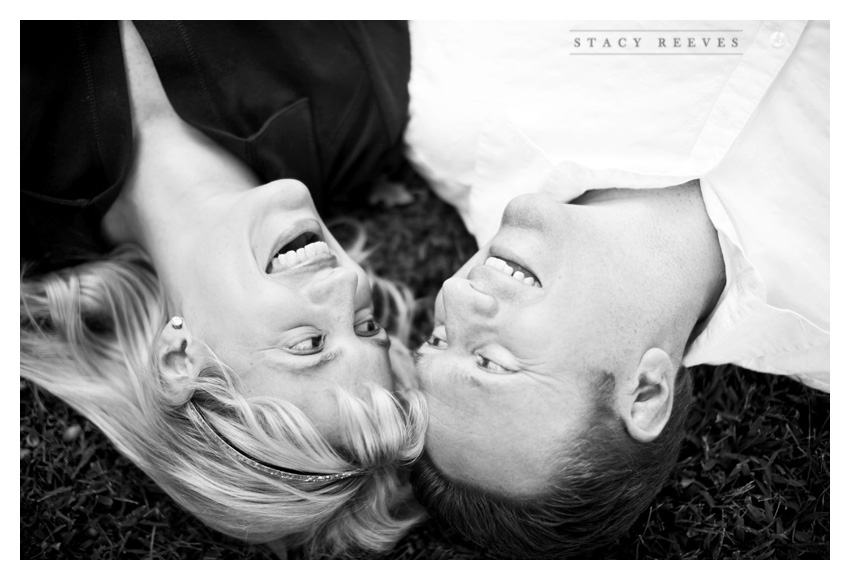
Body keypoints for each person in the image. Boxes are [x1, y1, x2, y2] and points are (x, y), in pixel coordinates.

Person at [404, 20, 829, 558]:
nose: (456, 295)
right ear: (645, 391)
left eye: (438, 338)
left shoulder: (455, 118)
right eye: (491, 361)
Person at [20, 21, 427, 558]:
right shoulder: (356, 107)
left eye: (308, 345)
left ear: (180, 357)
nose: (349, 283)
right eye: (366, 326)